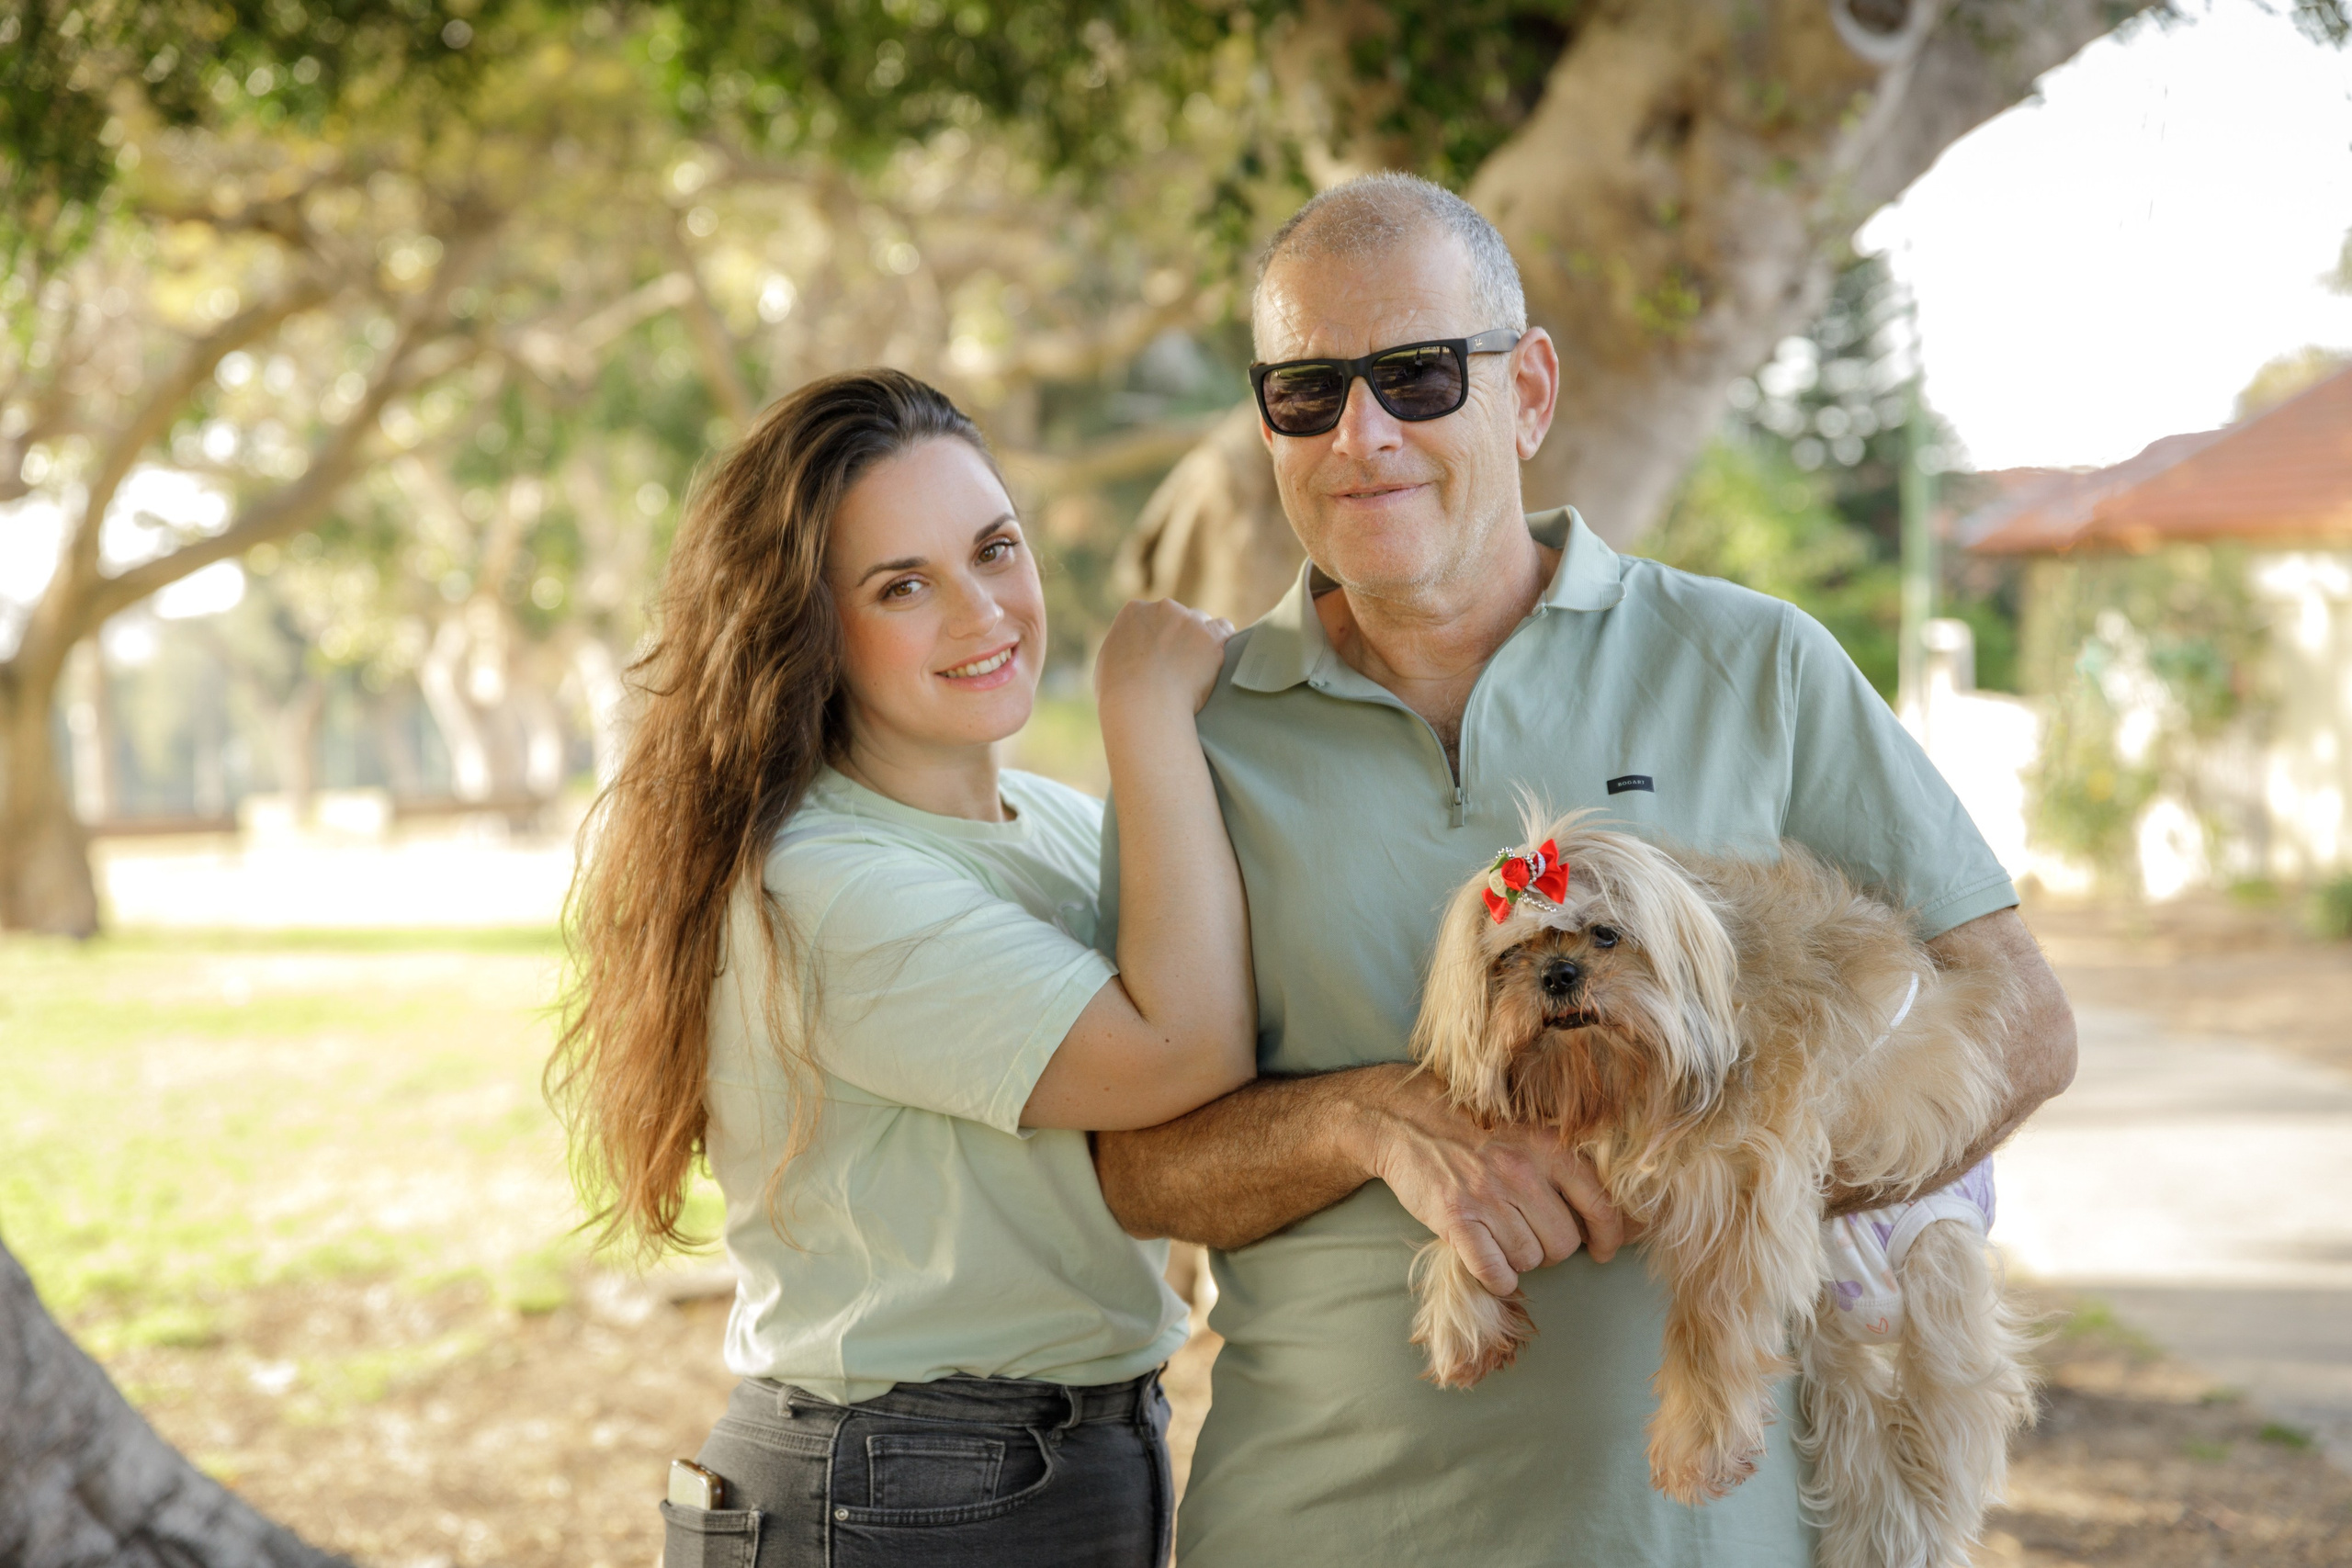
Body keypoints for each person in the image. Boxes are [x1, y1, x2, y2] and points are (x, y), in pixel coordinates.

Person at [1092, 173, 2078, 1566]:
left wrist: (1718, 1169)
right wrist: (1363, 1121)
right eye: (1306, 392)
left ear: (1530, 390)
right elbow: (1136, 1168)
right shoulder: (1206, 727)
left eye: (1419, 376)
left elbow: (2025, 1024)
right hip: (1310, 1527)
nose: (1361, 435)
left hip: (1706, 1539)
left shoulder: (1755, 663)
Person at [550, 368, 1250, 1568]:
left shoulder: (1057, 823)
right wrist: (1147, 715)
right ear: (810, 628)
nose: (983, 612)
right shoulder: (821, 887)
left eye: (995, 550)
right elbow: (1183, 1056)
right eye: (903, 586)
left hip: (1072, 1449)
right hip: (901, 1484)